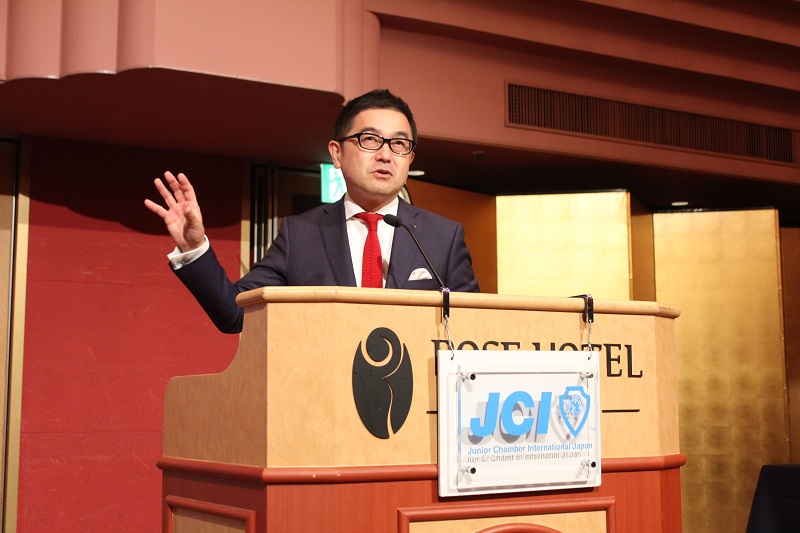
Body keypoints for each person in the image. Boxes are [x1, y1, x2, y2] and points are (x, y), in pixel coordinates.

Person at [145, 89, 479, 333]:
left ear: (410, 159)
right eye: (370, 140)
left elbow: (475, 330)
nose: (385, 154)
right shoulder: (300, 235)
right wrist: (194, 246)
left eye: (399, 144)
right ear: (336, 153)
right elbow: (234, 314)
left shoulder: (443, 237)